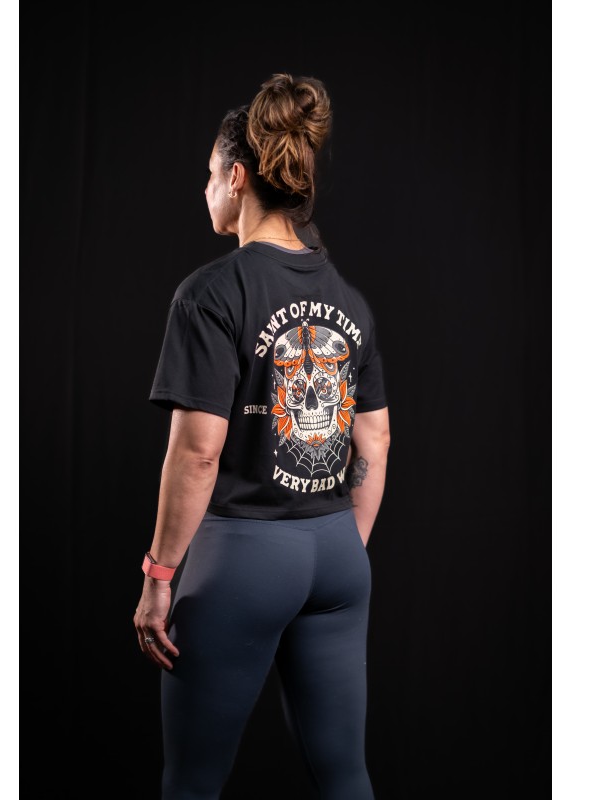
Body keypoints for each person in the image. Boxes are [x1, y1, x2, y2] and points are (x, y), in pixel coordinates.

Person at [133, 72, 390, 800]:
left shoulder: (211, 294)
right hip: (337, 557)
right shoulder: (348, 300)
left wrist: (158, 577)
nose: (205, 187)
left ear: (237, 177)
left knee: (192, 782)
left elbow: (198, 453)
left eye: (209, 173)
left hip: (243, 559)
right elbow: (374, 441)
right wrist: (340, 543)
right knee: (345, 776)